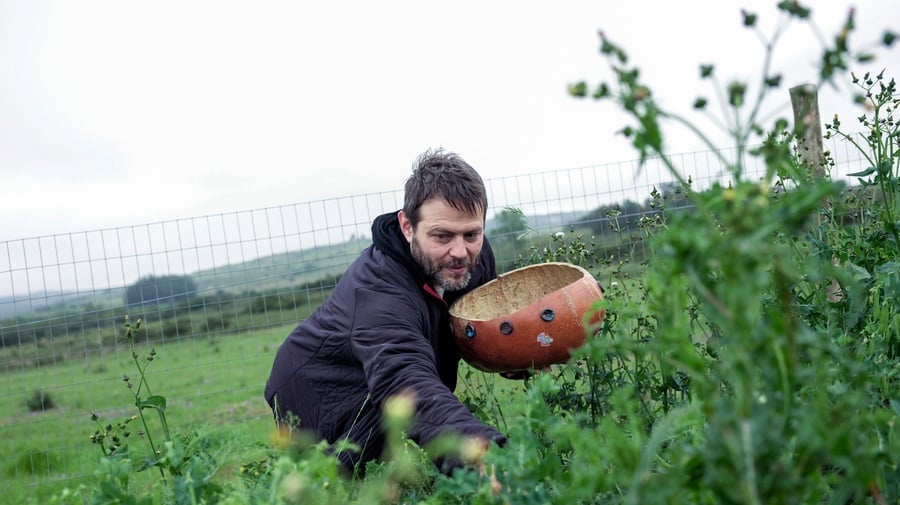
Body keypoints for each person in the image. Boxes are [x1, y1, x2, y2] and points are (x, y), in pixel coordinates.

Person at [264, 148, 507, 476]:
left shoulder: (473, 259)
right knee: (342, 480)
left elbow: (487, 325)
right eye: (442, 236)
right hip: (322, 390)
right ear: (408, 227)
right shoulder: (380, 289)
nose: (460, 252)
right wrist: (475, 447)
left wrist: (532, 355)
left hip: (378, 382)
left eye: (471, 234)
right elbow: (404, 377)